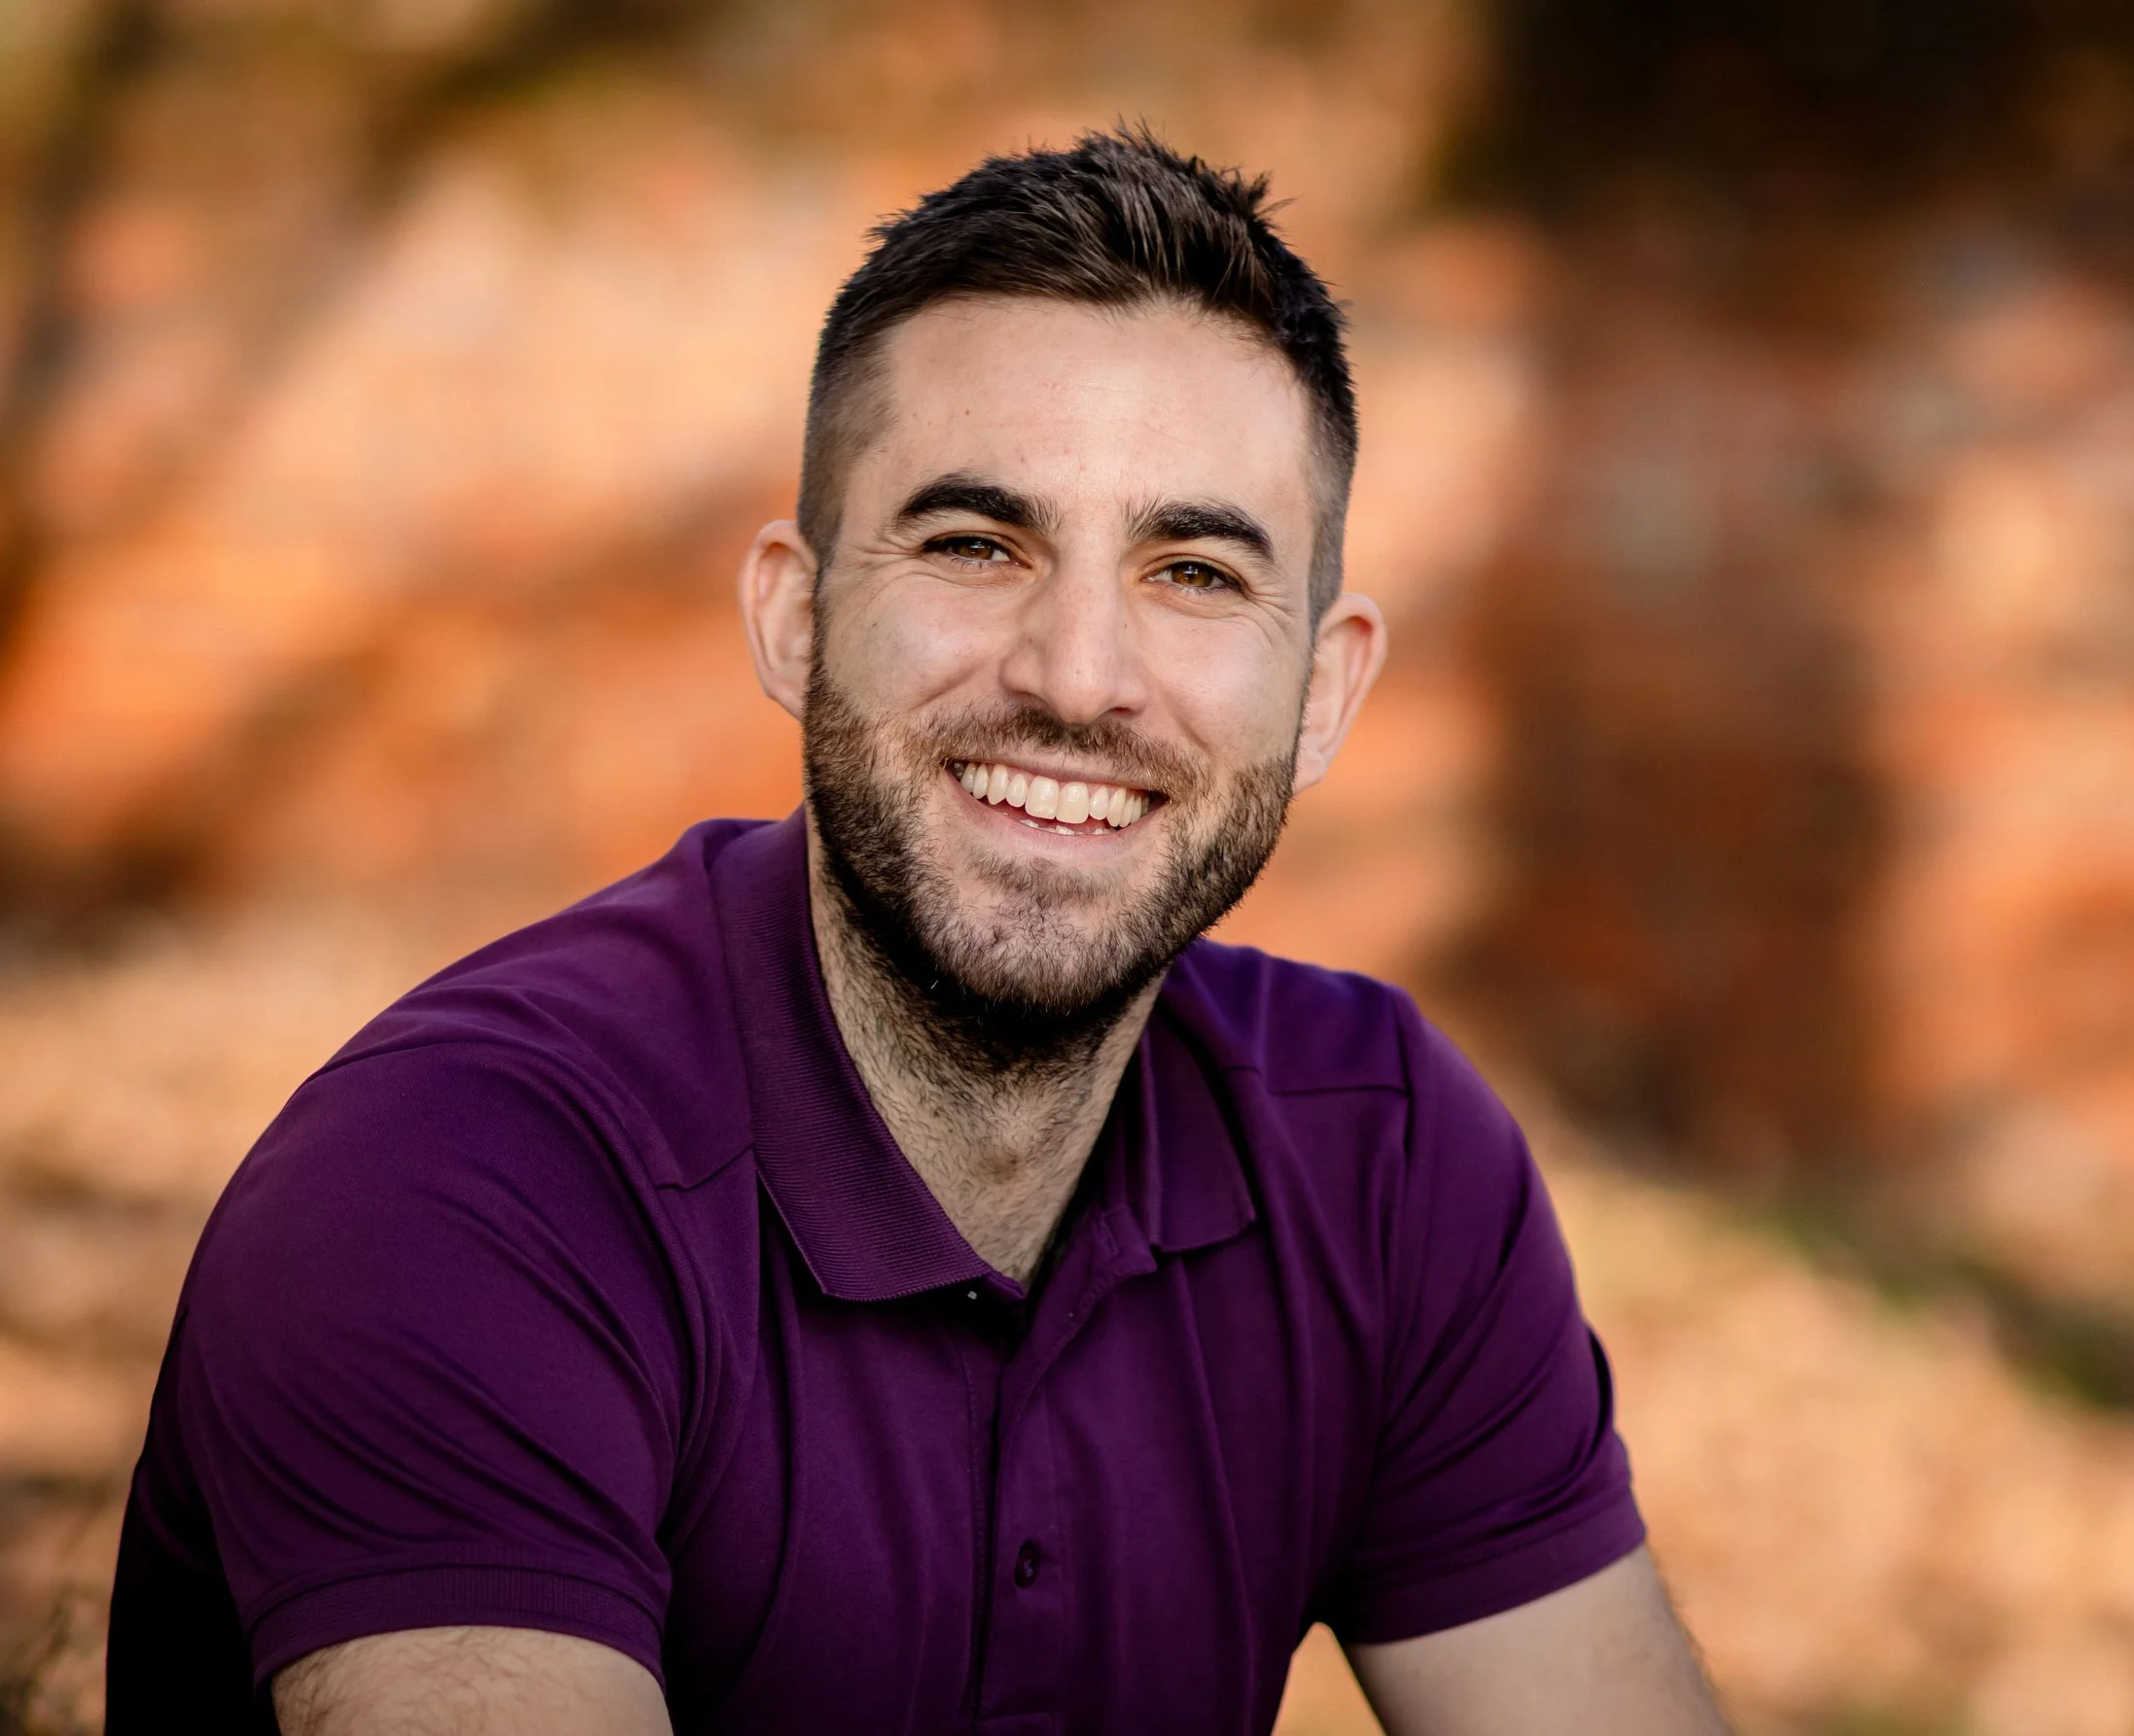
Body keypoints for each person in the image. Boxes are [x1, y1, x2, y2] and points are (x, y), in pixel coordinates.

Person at [104, 129, 1731, 1735]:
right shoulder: (460, 1182)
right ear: (795, 618)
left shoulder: (1378, 1159)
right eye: (974, 544)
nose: (1077, 672)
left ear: (1325, 690)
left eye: (1195, 571)